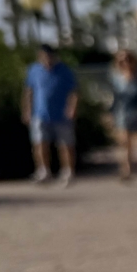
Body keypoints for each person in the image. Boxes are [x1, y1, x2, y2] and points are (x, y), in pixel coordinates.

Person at [23, 44, 78, 187]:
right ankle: (43, 170)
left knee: (65, 144)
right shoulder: (34, 70)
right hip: (40, 113)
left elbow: (74, 91)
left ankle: (68, 171)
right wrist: (27, 110)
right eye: (43, 55)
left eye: (48, 55)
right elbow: (29, 91)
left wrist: (72, 108)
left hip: (61, 114)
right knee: (40, 143)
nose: (46, 58)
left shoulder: (64, 71)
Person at [110, 51, 137, 182]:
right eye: (122, 61)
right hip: (123, 112)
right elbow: (115, 99)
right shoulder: (117, 78)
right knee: (125, 142)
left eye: (128, 60)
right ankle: (127, 170)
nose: (126, 63)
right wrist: (111, 115)